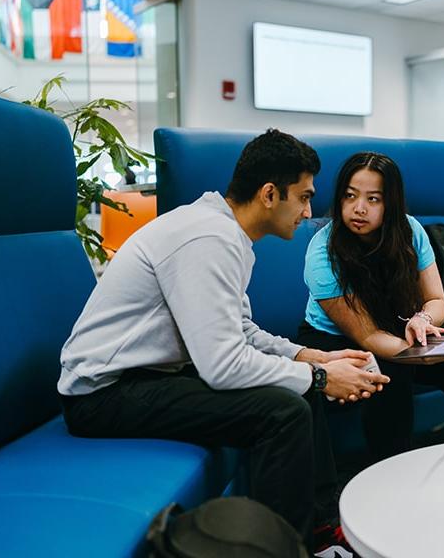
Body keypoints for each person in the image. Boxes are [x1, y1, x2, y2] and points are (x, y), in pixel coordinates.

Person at [57, 129, 389, 554]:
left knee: (298, 389)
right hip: (102, 394)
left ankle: (320, 531)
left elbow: (240, 330)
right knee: (284, 409)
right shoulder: (208, 238)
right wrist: (321, 377)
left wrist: (307, 355)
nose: (308, 212)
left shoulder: (222, 231)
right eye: (303, 197)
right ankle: (282, 549)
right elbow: (223, 365)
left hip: (146, 378)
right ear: (270, 194)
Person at [296, 151, 444, 462]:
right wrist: (423, 357)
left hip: (395, 325)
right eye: (350, 196)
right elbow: (367, 337)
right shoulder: (323, 252)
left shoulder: (409, 231)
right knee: (390, 373)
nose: (359, 208)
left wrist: (421, 319)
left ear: (390, 203)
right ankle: (391, 473)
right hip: (336, 339)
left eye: (373, 199)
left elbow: (437, 302)